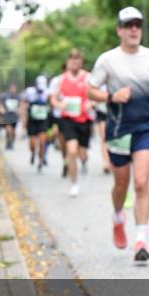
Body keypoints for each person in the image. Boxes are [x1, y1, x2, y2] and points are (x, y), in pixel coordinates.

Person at [88, 7, 149, 262]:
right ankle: (118, 215)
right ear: (119, 30)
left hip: (145, 127)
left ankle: (141, 240)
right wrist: (111, 96)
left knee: (141, 183)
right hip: (118, 129)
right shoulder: (107, 60)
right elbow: (90, 91)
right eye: (128, 25)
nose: (134, 29)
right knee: (121, 185)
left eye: (137, 25)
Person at [52, 49, 93, 197]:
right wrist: (58, 105)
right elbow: (53, 98)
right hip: (68, 120)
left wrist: (91, 103)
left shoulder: (88, 78)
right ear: (68, 62)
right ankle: (74, 183)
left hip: (84, 120)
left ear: (81, 62)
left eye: (77, 60)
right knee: (72, 151)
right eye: (72, 60)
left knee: (82, 154)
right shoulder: (61, 79)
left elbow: (96, 95)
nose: (74, 62)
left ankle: (84, 161)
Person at [23, 76, 51, 171]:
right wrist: (24, 120)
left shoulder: (48, 92)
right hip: (32, 120)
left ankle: (40, 160)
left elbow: (52, 104)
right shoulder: (29, 92)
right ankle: (33, 153)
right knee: (33, 144)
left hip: (43, 120)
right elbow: (24, 104)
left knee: (42, 142)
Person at [0, 83, 20, 150]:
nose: (13, 90)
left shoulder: (17, 97)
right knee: (8, 130)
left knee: (13, 132)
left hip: (14, 116)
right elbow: (0, 104)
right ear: (9, 89)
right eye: (12, 88)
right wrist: (1, 110)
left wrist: (20, 111)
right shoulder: (5, 96)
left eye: (14, 89)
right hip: (7, 116)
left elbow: (20, 105)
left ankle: (11, 142)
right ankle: (8, 142)